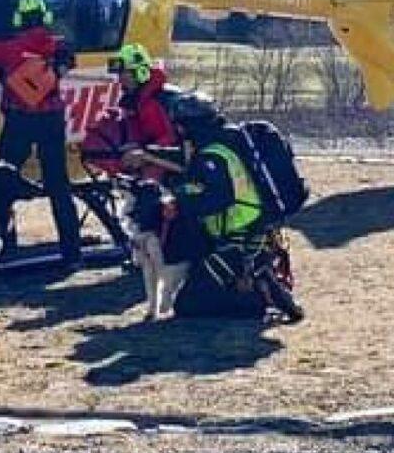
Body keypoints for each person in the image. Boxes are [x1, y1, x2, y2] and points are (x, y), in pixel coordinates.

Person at [0, 0, 84, 270]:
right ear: (46, 18)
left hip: (19, 121)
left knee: (0, 181)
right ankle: (72, 255)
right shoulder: (59, 47)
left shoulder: (10, 47)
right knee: (58, 186)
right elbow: (67, 60)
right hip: (52, 120)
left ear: (19, 19)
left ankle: (5, 245)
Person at [164, 92, 302, 322]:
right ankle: (260, 279)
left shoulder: (211, 156)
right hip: (253, 225)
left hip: (236, 232)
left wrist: (181, 199)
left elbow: (218, 199)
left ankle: (253, 297)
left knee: (187, 306)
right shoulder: (229, 140)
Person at [81, 41, 184, 180]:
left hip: (164, 160)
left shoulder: (154, 102)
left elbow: (169, 139)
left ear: (140, 72)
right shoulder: (132, 99)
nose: (120, 79)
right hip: (146, 154)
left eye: (124, 74)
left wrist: (143, 151)